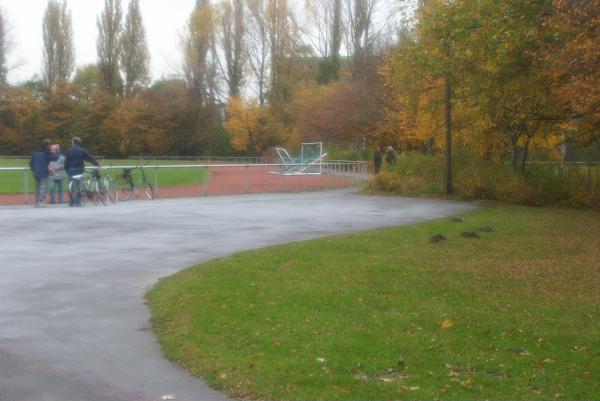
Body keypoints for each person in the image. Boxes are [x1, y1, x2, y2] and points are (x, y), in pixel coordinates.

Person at [65, 136, 99, 207]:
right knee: (77, 186)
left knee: (70, 187)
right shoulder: (83, 150)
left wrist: (67, 170)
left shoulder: (69, 150)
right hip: (79, 170)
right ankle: (77, 203)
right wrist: (97, 164)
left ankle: (71, 202)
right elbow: (89, 158)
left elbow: (66, 162)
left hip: (70, 170)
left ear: (73, 142)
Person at [29, 139, 57, 207]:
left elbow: (31, 163)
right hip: (43, 172)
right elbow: (55, 158)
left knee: (37, 187)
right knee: (43, 187)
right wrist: (51, 152)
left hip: (36, 172)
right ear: (48, 146)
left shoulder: (35, 152)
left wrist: (34, 169)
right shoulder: (46, 153)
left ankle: (37, 202)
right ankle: (41, 202)